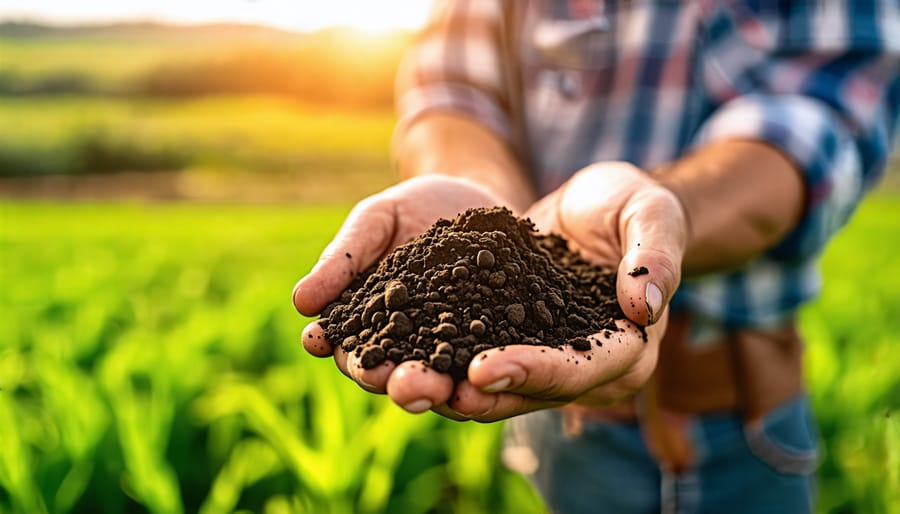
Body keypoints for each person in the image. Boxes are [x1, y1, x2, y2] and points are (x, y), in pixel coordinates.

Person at [293, 1, 900, 512]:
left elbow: (820, 118)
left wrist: (667, 210)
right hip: (549, 422)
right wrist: (485, 207)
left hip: (739, 424)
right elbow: (453, 90)